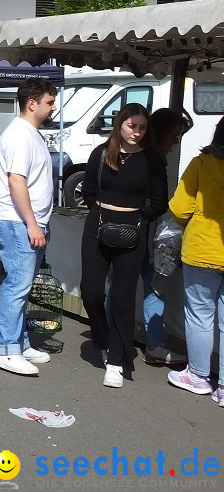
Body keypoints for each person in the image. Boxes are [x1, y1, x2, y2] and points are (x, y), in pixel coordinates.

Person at [80, 103, 167, 388]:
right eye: (132, 126)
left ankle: (117, 360)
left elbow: (159, 202)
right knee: (91, 292)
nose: (137, 133)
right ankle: (104, 340)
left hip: (133, 230)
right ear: (120, 125)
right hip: (98, 225)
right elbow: (89, 191)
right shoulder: (101, 153)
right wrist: (103, 213)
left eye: (143, 128)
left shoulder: (152, 159)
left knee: (122, 298)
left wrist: (140, 219)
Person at [0, 78, 58, 376]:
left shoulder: (29, 133)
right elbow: (17, 180)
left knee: (22, 285)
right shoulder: (20, 135)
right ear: (32, 104)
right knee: (17, 285)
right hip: (16, 221)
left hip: (23, 222)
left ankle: (19, 342)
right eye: (50, 102)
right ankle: (7, 349)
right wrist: (32, 224)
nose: (53, 107)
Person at [166, 116, 224, 404]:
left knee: (201, 315)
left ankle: (199, 376)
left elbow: (179, 209)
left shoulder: (201, 164)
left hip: (203, 249)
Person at [141, 108, 188, 366]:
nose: (176, 141)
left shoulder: (149, 154)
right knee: (153, 289)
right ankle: (153, 345)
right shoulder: (153, 158)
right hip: (147, 236)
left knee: (146, 289)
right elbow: (160, 204)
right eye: (174, 135)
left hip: (147, 234)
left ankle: (120, 342)